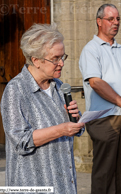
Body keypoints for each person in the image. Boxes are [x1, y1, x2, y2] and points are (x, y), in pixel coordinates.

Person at [1, 23, 85, 194]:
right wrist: (62, 130)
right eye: (55, 58)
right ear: (36, 60)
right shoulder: (16, 90)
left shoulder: (59, 86)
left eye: (63, 57)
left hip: (64, 183)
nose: (61, 63)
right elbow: (20, 142)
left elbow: (73, 129)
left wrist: (77, 120)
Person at [79, 3, 121, 194]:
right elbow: (96, 82)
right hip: (105, 119)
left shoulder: (119, 49)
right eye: (110, 19)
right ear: (99, 21)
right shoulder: (91, 49)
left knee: (119, 172)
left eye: (118, 19)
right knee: (104, 174)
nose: (116, 23)